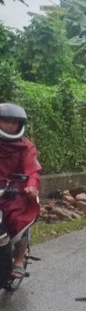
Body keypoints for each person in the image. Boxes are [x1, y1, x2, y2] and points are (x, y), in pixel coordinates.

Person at [0, 103, 41, 285]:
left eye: (13, 122)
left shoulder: (26, 147)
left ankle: (18, 257)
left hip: (16, 190)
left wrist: (31, 187)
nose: (9, 125)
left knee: (19, 219)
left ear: (19, 125)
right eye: (5, 121)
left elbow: (32, 171)